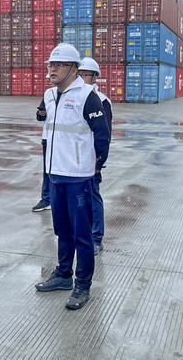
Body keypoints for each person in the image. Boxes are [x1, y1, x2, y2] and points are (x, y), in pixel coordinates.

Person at [34, 44, 109, 310]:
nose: (52, 69)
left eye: (59, 65)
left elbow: (102, 134)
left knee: (82, 235)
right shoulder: (50, 95)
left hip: (78, 177)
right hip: (55, 175)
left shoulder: (87, 96)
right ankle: (63, 275)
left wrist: (97, 165)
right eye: (50, 65)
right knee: (62, 231)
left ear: (74, 69)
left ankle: (83, 285)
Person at [77, 57, 112, 256]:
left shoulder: (102, 101)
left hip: (91, 160)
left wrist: (99, 162)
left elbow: (104, 134)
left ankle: (96, 238)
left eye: (86, 75)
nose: (82, 78)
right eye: (79, 74)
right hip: (73, 160)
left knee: (92, 197)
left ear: (95, 77)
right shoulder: (71, 97)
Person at [32, 98, 51, 212]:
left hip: (68, 140)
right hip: (48, 139)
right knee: (48, 170)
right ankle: (47, 199)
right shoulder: (49, 94)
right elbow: (40, 117)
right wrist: (41, 113)